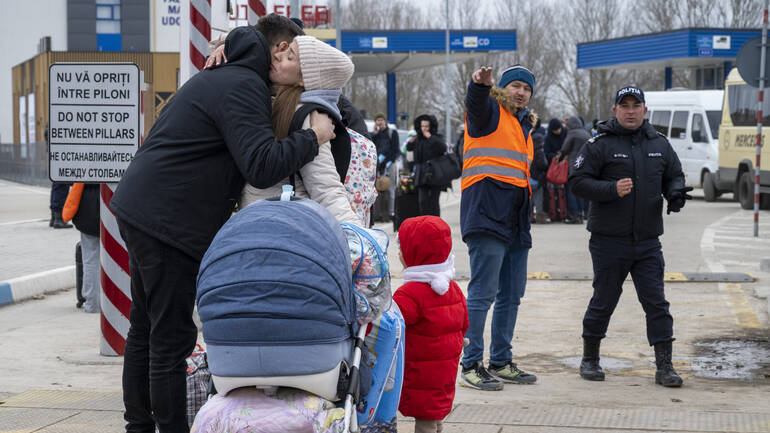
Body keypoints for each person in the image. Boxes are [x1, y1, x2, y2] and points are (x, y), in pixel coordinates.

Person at [109, 15, 336, 433]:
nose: (294, 74)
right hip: (168, 221)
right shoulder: (243, 86)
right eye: (295, 61)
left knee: (146, 329)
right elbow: (262, 165)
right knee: (170, 340)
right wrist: (314, 136)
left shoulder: (227, 74)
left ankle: (138, 427)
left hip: (145, 207)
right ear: (280, 48)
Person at [569, 85, 692, 388]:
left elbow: (674, 175)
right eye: (625, 105)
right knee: (605, 299)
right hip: (608, 240)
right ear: (615, 110)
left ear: (644, 110)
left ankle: (665, 366)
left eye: (636, 105)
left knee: (657, 303)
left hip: (648, 241)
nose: (631, 110)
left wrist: (675, 194)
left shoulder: (659, 144)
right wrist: (610, 190)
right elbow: (577, 181)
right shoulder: (599, 144)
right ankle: (590, 358)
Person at [458, 65, 538, 391]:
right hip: (486, 213)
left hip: (515, 219)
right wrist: (479, 85)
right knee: (482, 295)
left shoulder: (524, 127)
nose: (520, 92)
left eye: (526, 88)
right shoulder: (489, 113)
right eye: (515, 86)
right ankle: (470, 363)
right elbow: (475, 103)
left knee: (512, 295)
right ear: (502, 88)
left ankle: (501, 361)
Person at [239, 35, 363, 226]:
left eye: (290, 57)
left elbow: (325, 188)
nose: (278, 56)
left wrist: (358, 237)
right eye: (283, 50)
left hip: (280, 232)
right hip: (264, 228)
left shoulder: (310, 118)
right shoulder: (272, 101)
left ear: (304, 79)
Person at [393, 215, 468, 433]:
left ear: (414, 254)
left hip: (419, 371)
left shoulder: (409, 293)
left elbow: (392, 324)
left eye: (403, 249)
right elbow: (464, 321)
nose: (399, 254)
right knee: (434, 414)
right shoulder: (452, 288)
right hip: (444, 369)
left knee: (424, 420)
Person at [66, 183, 101, 313]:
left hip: (87, 206)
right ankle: (117, 304)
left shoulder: (83, 163)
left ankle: (92, 304)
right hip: (114, 202)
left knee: (91, 260)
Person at [408, 114, 447, 217]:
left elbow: (443, 148)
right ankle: (424, 223)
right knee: (422, 201)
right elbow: (408, 149)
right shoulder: (418, 139)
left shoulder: (436, 138)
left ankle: (436, 223)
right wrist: (410, 142)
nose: (424, 129)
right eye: (422, 126)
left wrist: (430, 137)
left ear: (431, 127)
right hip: (421, 173)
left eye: (426, 126)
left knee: (434, 202)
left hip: (434, 173)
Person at [560, 116, 591, 224]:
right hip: (586, 166)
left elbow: (564, 149)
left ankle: (574, 215)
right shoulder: (586, 133)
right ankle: (582, 213)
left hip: (574, 166)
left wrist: (560, 158)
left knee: (572, 190)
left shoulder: (572, 133)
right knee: (582, 190)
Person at [372, 113, 400, 220]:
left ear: (385, 121)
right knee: (378, 188)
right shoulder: (376, 134)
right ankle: (379, 213)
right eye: (377, 120)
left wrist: (388, 161)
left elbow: (395, 149)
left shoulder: (392, 133)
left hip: (390, 164)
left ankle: (391, 212)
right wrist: (374, 134)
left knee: (391, 188)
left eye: (381, 120)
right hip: (378, 165)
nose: (380, 122)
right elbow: (373, 147)